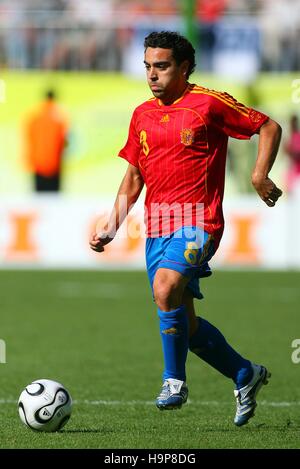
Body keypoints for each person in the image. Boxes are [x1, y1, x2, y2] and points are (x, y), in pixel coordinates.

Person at [90, 31, 282, 426]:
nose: (152, 75)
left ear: (184, 67)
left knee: (165, 287)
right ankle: (245, 374)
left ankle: (173, 381)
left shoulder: (208, 104)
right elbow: (133, 178)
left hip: (200, 219)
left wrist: (259, 174)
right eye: (147, 66)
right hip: (157, 226)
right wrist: (112, 225)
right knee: (185, 325)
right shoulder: (142, 114)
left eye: (161, 66)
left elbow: (268, 127)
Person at [24, 89, 68, 192]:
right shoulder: (60, 118)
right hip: (54, 165)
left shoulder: (35, 116)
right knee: (53, 201)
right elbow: (64, 142)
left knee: (39, 200)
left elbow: (29, 138)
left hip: (38, 164)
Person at [284, 114, 300, 194]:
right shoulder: (289, 137)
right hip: (291, 172)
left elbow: (297, 154)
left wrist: (290, 152)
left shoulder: (297, 137)